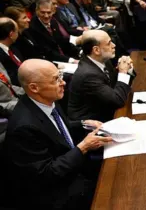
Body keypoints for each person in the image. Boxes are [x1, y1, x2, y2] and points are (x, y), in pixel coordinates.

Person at [5, 59, 113, 209]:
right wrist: (83, 147)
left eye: (60, 76)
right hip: (55, 193)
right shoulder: (24, 128)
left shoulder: (47, 101)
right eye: (56, 79)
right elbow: (46, 174)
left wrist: (84, 123)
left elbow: (57, 128)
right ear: (34, 88)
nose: (63, 83)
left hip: (72, 170)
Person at [68, 30, 134, 122]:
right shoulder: (88, 75)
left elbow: (116, 85)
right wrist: (123, 72)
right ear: (96, 50)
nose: (114, 45)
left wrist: (128, 69)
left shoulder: (102, 60)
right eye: (109, 43)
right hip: (93, 123)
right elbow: (118, 100)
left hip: (107, 110)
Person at [29, 0, 80, 64]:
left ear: (53, 11)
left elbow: (63, 42)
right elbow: (47, 52)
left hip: (65, 57)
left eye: (49, 12)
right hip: (51, 62)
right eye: (42, 12)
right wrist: (71, 60)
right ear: (37, 11)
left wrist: (79, 51)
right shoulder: (33, 27)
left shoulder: (53, 22)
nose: (46, 16)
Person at [0, 17, 24, 86]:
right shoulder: (1, 57)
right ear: (11, 34)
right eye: (17, 31)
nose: (18, 33)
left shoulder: (12, 47)